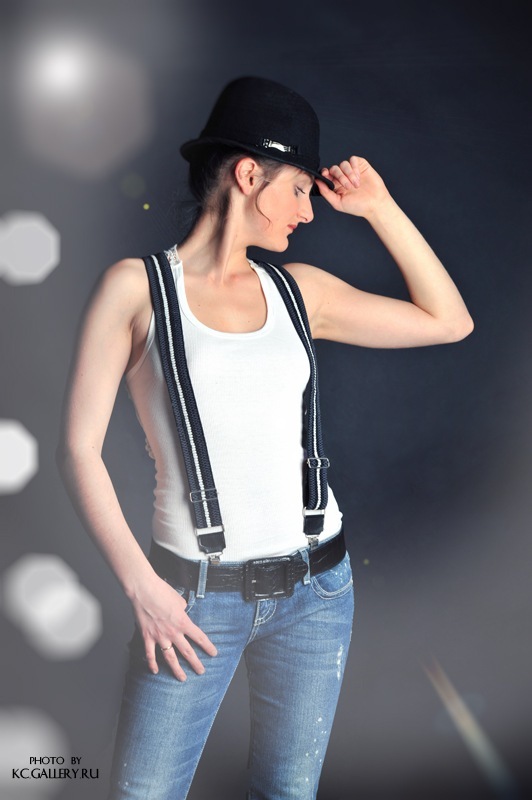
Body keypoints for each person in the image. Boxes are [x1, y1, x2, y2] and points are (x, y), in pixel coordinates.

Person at [57, 76, 473, 800]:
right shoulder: (136, 289)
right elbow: (78, 451)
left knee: (287, 794)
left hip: (317, 590)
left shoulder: (299, 292)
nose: (309, 212)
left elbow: (449, 321)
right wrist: (142, 587)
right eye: (301, 190)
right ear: (250, 175)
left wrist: (379, 206)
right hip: (190, 601)